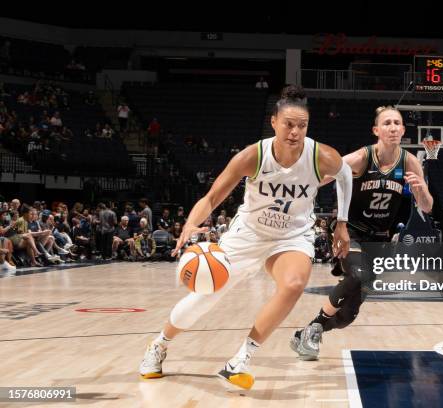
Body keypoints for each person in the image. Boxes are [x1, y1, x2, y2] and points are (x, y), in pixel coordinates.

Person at [139, 85, 352, 390]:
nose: (294, 132)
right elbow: (212, 198)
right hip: (249, 234)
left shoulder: (320, 155)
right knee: (205, 298)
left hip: (292, 236)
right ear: (274, 122)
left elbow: (345, 174)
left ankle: (240, 360)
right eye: (288, 124)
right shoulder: (253, 156)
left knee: (293, 284)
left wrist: (341, 222)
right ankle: (159, 345)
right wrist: (189, 224)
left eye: (301, 126)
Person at [290, 105, 433, 360]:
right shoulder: (363, 157)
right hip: (351, 232)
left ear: (403, 129)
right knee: (358, 274)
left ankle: (307, 332)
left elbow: (427, 206)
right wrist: (294, 189)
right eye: (386, 123)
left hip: (381, 243)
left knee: (347, 317)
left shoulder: (410, 162)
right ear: (376, 130)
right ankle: (313, 330)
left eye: (397, 123)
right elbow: (322, 177)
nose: (392, 127)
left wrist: (421, 189)